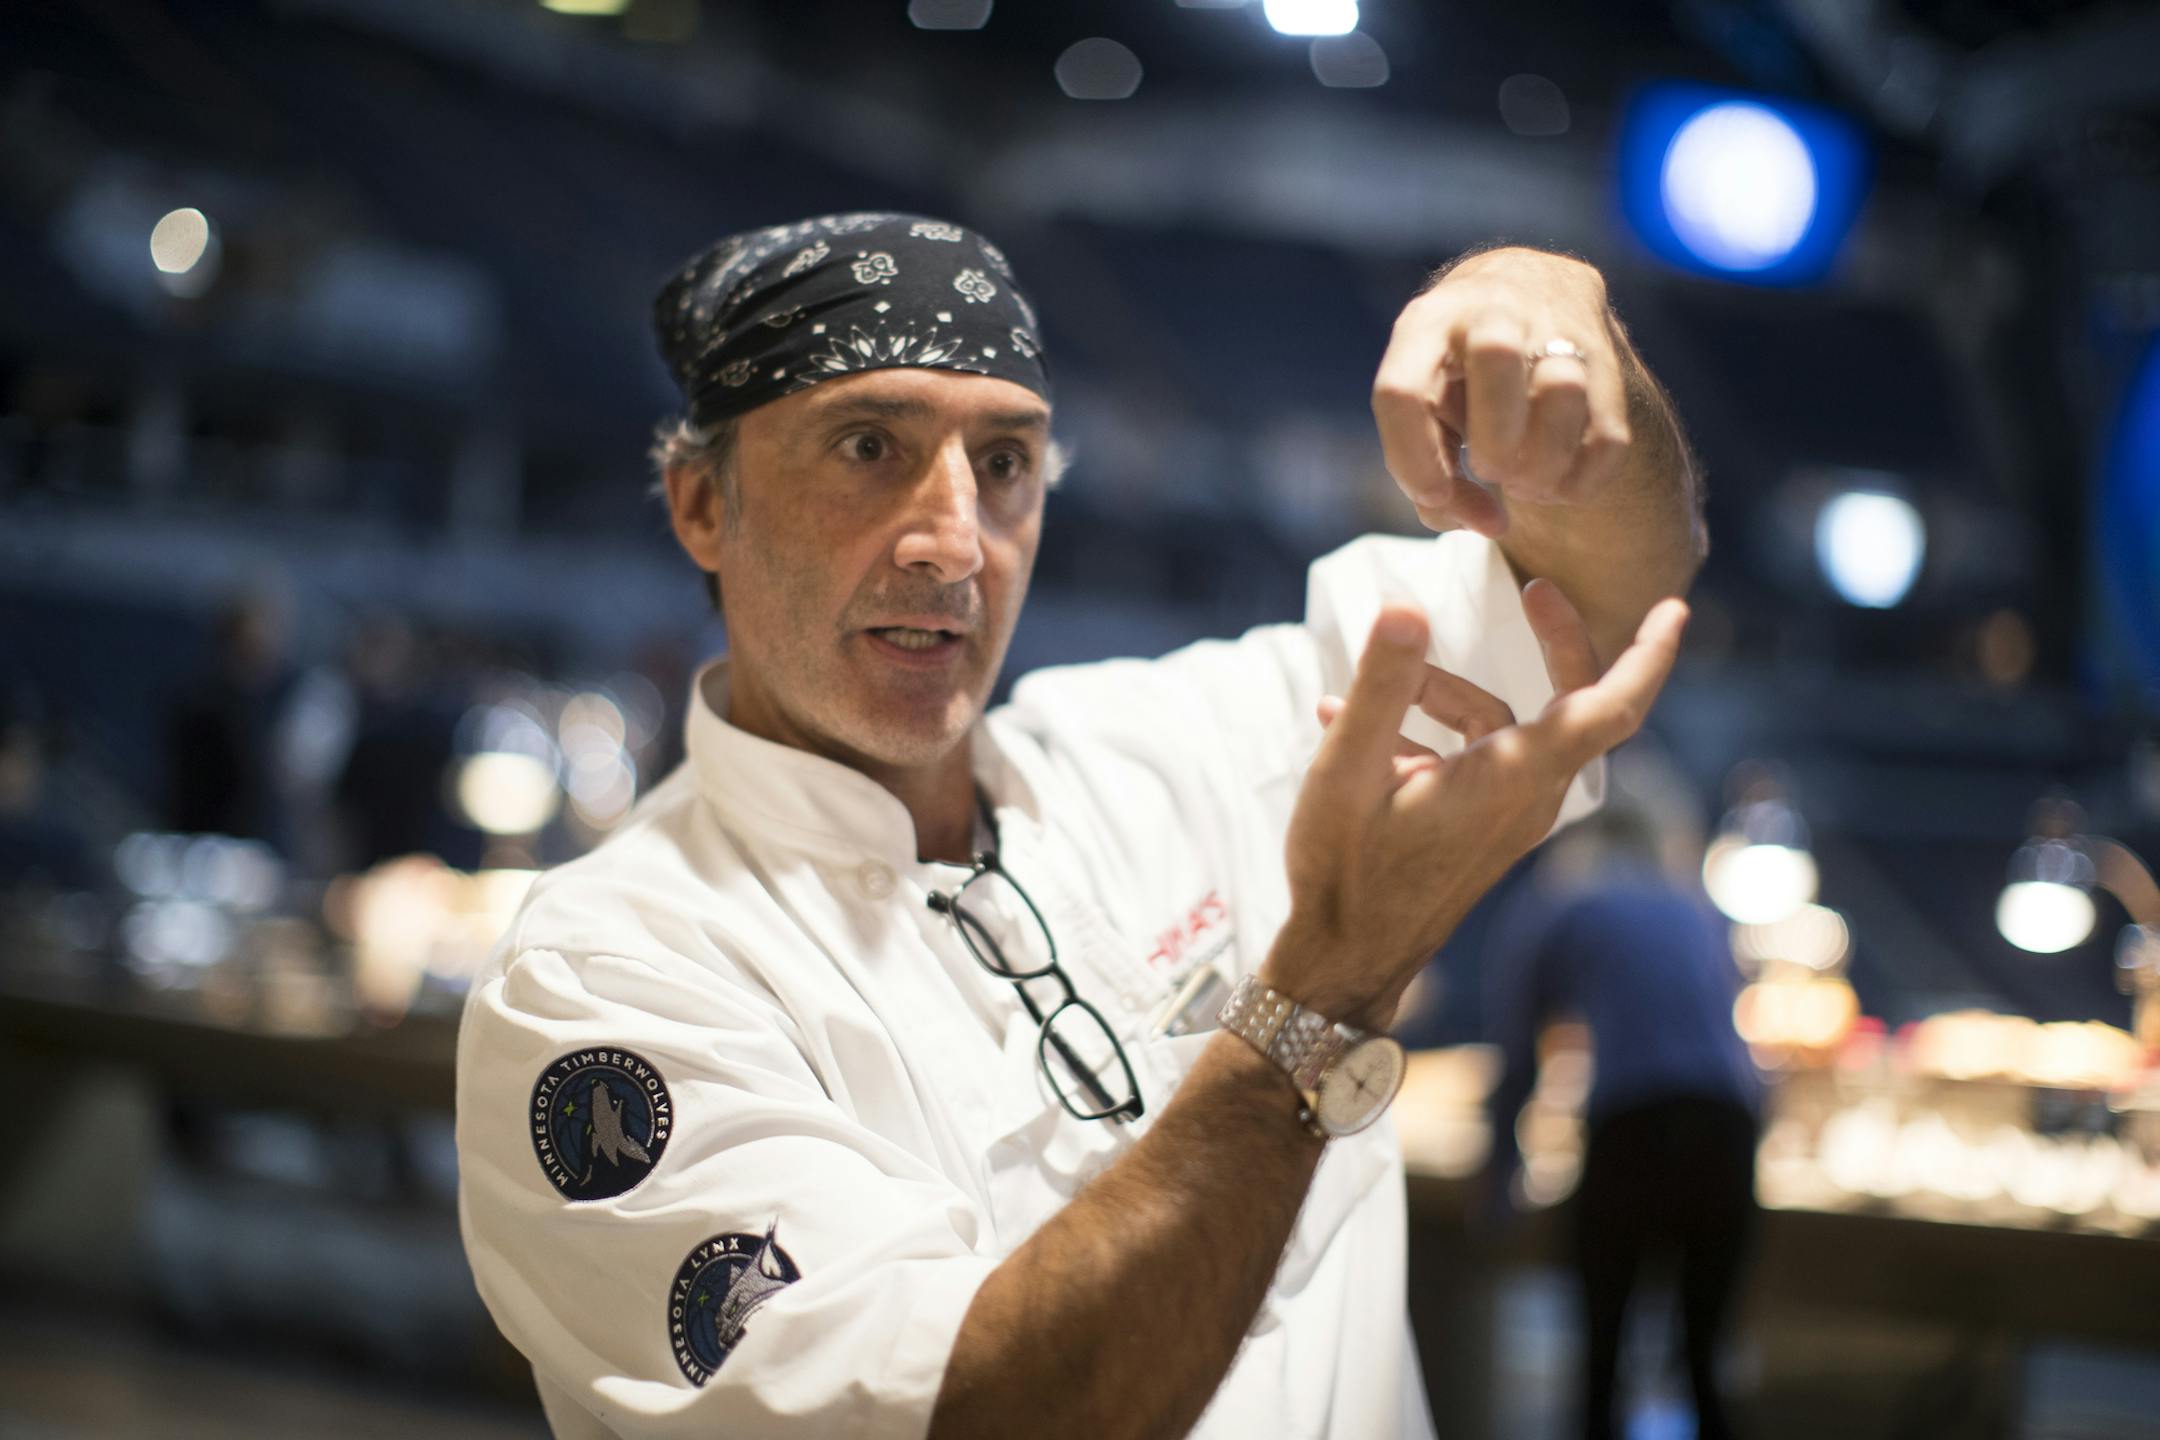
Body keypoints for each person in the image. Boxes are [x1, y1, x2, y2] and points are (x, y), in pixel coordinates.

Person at [454, 211, 1704, 1439]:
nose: (955, 545)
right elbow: (977, 1417)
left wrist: (1544, 307)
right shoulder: (612, 978)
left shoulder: (1174, 749)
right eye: (867, 448)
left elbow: (1602, 596)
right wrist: (1323, 1000)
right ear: (701, 507)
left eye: (1002, 463)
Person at [1482, 798, 1762, 1440]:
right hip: (1729, 1129)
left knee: (1603, 1357)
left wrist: (1499, 1185)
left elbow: (1516, 1056)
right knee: (1704, 1361)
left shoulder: (1561, 904)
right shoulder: (1693, 907)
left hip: (1637, 1127)